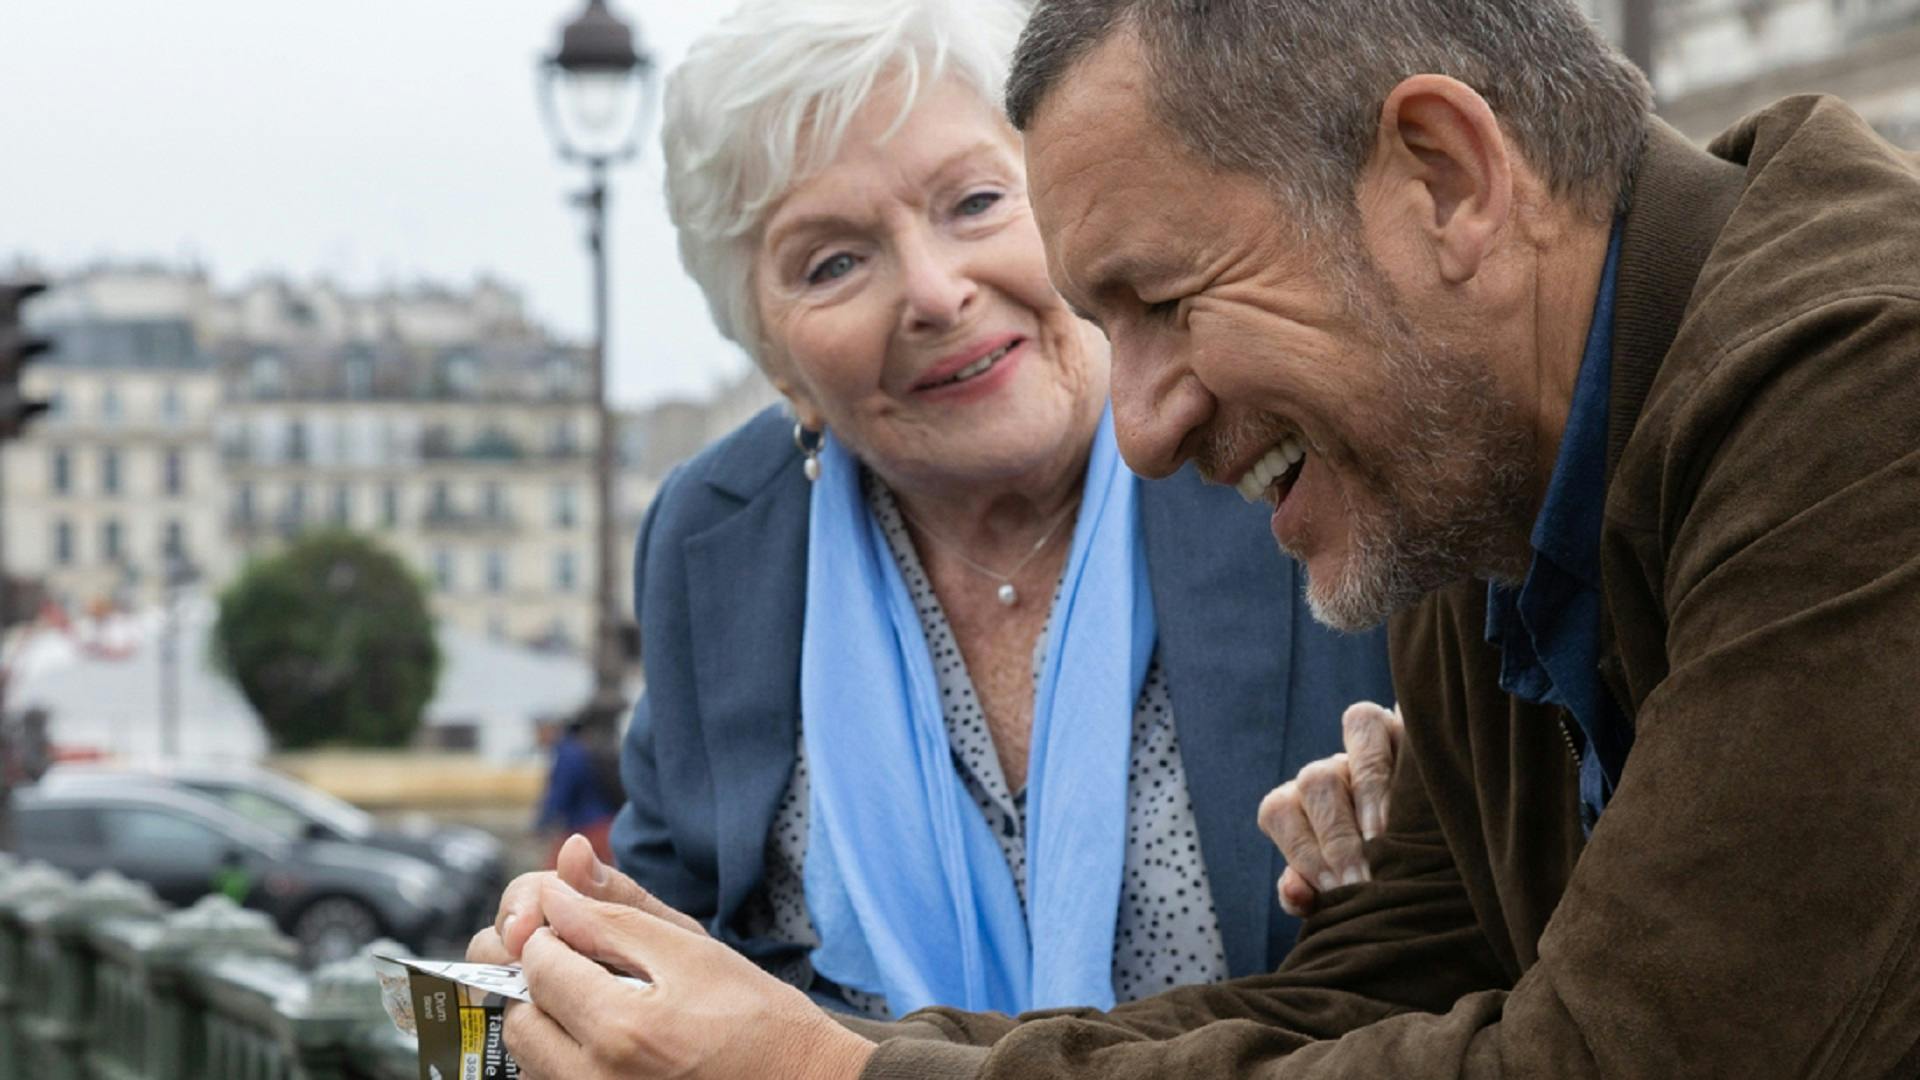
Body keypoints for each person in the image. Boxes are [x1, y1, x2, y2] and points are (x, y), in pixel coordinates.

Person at [467, 0, 1920, 1075]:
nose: (1143, 426)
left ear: (1446, 180)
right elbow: (1356, 999)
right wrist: (741, 1039)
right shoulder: (1467, 465)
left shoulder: (1868, 393)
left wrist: (829, 1073)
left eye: (1163, 301)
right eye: (834, 258)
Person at [477, 0, 1393, 1025]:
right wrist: (581, 956)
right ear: (778, 365)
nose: (934, 289)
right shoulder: (715, 535)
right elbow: (681, 922)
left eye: (974, 202)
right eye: (832, 262)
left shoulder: (1267, 430)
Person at [531, 708, 624, 867]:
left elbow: (560, 793)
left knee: (557, 875)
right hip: (603, 824)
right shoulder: (576, 749)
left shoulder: (567, 754)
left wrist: (541, 823)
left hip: (588, 827)